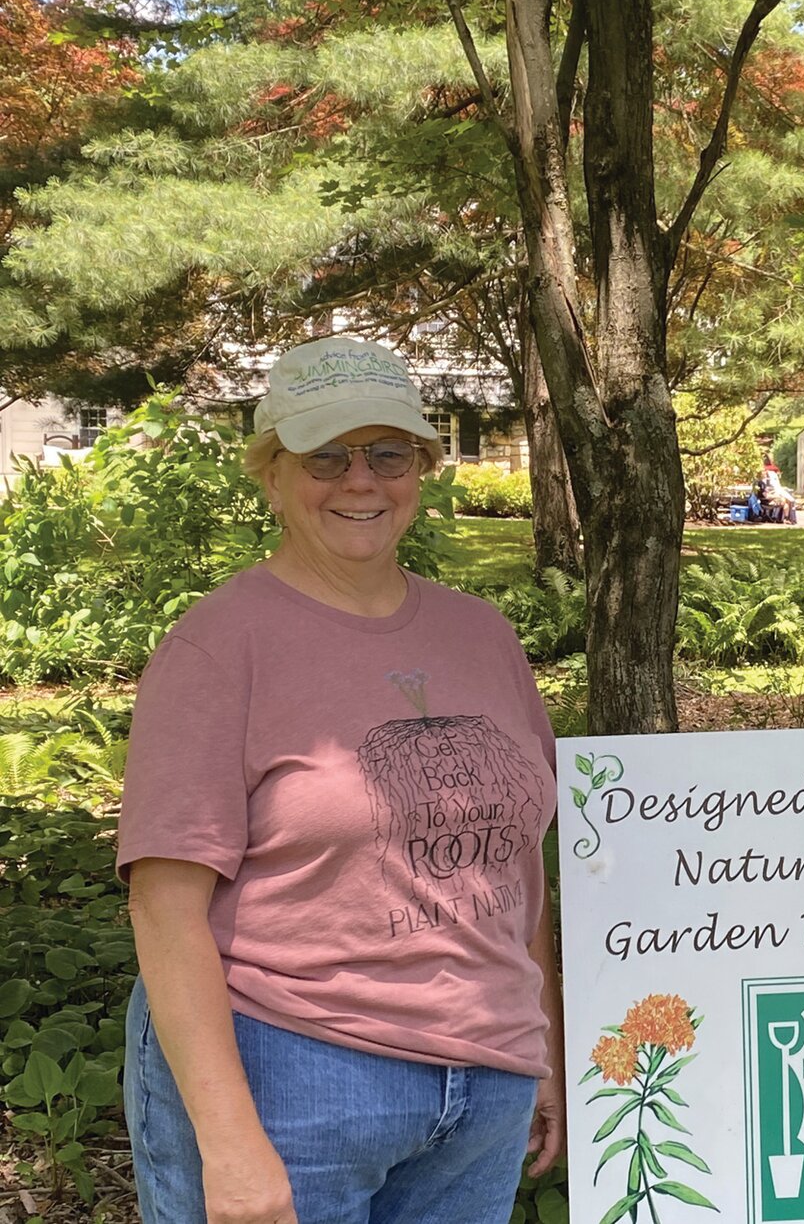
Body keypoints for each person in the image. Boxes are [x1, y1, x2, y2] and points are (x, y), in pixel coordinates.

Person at [118, 336, 565, 1224]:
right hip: (289, 1070)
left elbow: (519, 869)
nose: (360, 480)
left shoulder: (483, 635)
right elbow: (163, 907)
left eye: (387, 452)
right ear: (272, 474)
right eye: (325, 455)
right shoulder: (219, 646)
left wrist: (540, 1044)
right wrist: (232, 1144)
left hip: (485, 1083)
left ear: (422, 468)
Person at [760, 457, 798, 524]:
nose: (765, 472)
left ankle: (786, 518)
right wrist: (775, 495)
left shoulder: (771, 475)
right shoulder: (761, 480)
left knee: (787, 501)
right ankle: (784, 518)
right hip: (767, 497)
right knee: (784, 500)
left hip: (773, 494)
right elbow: (765, 494)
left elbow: (777, 486)